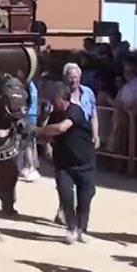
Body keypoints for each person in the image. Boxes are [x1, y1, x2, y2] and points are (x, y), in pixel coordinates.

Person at [37, 89, 97, 244]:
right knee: (65, 195)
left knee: (86, 196)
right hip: (63, 163)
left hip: (84, 162)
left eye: (54, 100)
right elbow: (49, 134)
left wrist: (37, 129)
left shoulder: (75, 110)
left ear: (62, 99)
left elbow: (61, 128)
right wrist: (46, 142)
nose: (52, 103)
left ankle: (82, 228)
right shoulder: (54, 114)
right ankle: (71, 228)